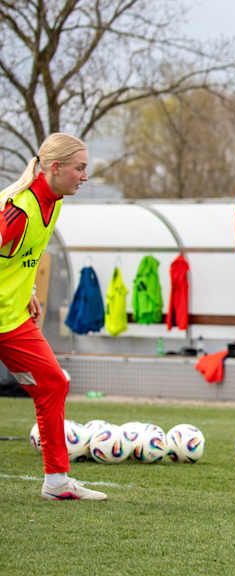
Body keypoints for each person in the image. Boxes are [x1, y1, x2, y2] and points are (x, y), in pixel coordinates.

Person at [0, 133, 106, 501]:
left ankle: (57, 482)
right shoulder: (17, 209)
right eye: (80, 168)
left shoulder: (54, 202)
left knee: (53, 383)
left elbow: (18, 257)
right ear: (56, 168)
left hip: (11, 321)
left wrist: (27, 291)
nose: (85, 176)